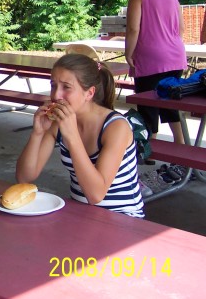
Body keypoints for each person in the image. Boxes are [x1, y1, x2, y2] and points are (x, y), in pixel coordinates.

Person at [16, 54, 145, 219]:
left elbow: (95, 194)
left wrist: (72, 136)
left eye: (66, 87)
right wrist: (37, 133)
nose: (56, 95)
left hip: (124, 218)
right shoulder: (58, 124)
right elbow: (24, 177)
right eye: (53, 85)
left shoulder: (116, 127)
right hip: (82, 214)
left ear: (89, 93)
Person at [125, 0, 188, 194]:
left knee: (147, 103)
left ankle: (148, 149)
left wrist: (128, 54)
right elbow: (181, 30)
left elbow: (133, 29)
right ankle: (180, 145)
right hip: (175, 55)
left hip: (151, 57)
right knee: (170, 101)